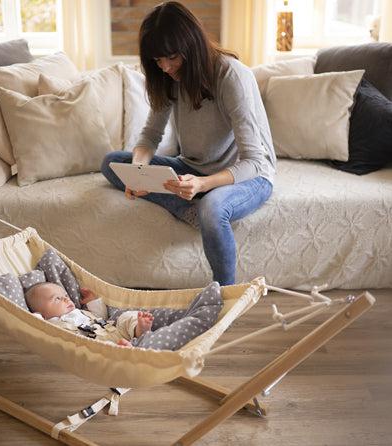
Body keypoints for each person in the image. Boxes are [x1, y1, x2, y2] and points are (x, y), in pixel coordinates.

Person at [101, 1, 276, 286]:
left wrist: (202, 186)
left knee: (212, 208)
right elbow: (150, 137)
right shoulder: (167, 77)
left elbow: (255, 161)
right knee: (111, 163)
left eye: (171, 57)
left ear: (191, 46)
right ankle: (192, 208)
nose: (166, 67)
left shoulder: (231, 75)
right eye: (158, 60)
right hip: (194, 168)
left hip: (248, 175)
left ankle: (224, 298)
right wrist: (139, 172)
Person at [25, 282, 153, 347]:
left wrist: (92, 301)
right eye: (57, 299)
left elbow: (100, 316)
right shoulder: (49, 323)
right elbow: (36, 326)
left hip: (113, 331)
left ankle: (139, 329)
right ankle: (122, 351)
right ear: (41, 313)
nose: (66, 299)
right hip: (95, 346)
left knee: (126, 316)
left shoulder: (80, 311)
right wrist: (36, 318)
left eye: (65, 296)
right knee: (103, 348)